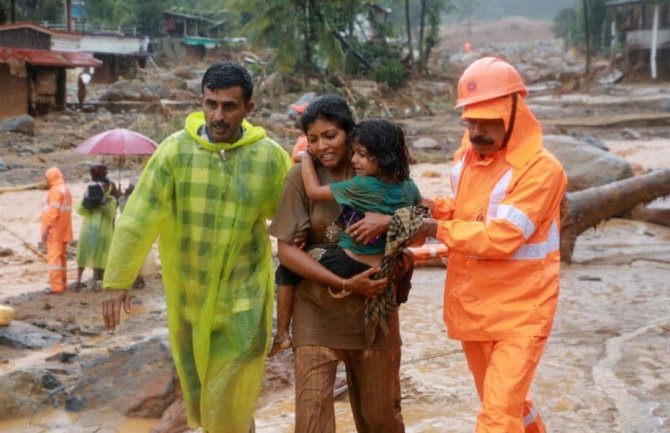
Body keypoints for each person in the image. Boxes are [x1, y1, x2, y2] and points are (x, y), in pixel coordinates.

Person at [100, 62, 292, 433]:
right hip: (189, 299)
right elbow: (139, 217)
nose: (218, 115)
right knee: (208, 400)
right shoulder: (174, 153)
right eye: (211, 104)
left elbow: (294, 220)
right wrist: (117, 280)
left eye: (229, 106)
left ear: (248, 108)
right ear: (201, 102)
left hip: (244, 299)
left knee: (225, 395)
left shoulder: (267, 158)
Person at [404, 57, 568, 433]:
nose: (477, 131)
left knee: (496, 417)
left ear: (514, 111)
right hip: (475, 306)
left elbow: (503, 237)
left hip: (522, 312)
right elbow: (468, 212)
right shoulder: (468, 155)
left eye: (488, 121)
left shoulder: (542, 170)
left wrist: (433, 227)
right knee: (510, 406)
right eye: (471, 121)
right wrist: (434, 208)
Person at [268, 94, 405, 433]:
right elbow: (286, 252)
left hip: (374, 312)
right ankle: (284, 333)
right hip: (316, 310)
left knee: (381, 418)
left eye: (331, 136)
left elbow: (419, 224)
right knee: (312, 420)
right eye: (313, 139)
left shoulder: (382, 173)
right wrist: (343, 283)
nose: (322, 146)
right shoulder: (301, 177)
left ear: (350, 133)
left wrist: (388, 224)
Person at [269, 118, 421, 355]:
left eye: (361, 154)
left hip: (349, 263)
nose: (353, 160)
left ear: (382, 157)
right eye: (354, 153)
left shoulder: (361, 185)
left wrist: (306, 158)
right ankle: (403, 284)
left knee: (290, 267)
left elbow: (314, 191)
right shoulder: (409, 186)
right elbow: (420, 217)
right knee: (346, 229)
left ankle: (282, 335)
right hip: (384, 265)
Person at [74, 163, 117, 291]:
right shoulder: (110, 186)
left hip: (89, 225)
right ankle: (94, 282)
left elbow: (82, 208)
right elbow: (113, 210)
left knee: (84, 252)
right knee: (100, 254)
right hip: (104, 227)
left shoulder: (90, 187)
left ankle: (78, 281)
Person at [41, 166, 73, 294]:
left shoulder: (54, 191)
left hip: (55, 231)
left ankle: (56, 286)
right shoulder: (66, 190)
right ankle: (63, 283)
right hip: (65, 229)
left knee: (54, 260)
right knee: (62, 259)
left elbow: (53, 213)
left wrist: (46, 229)